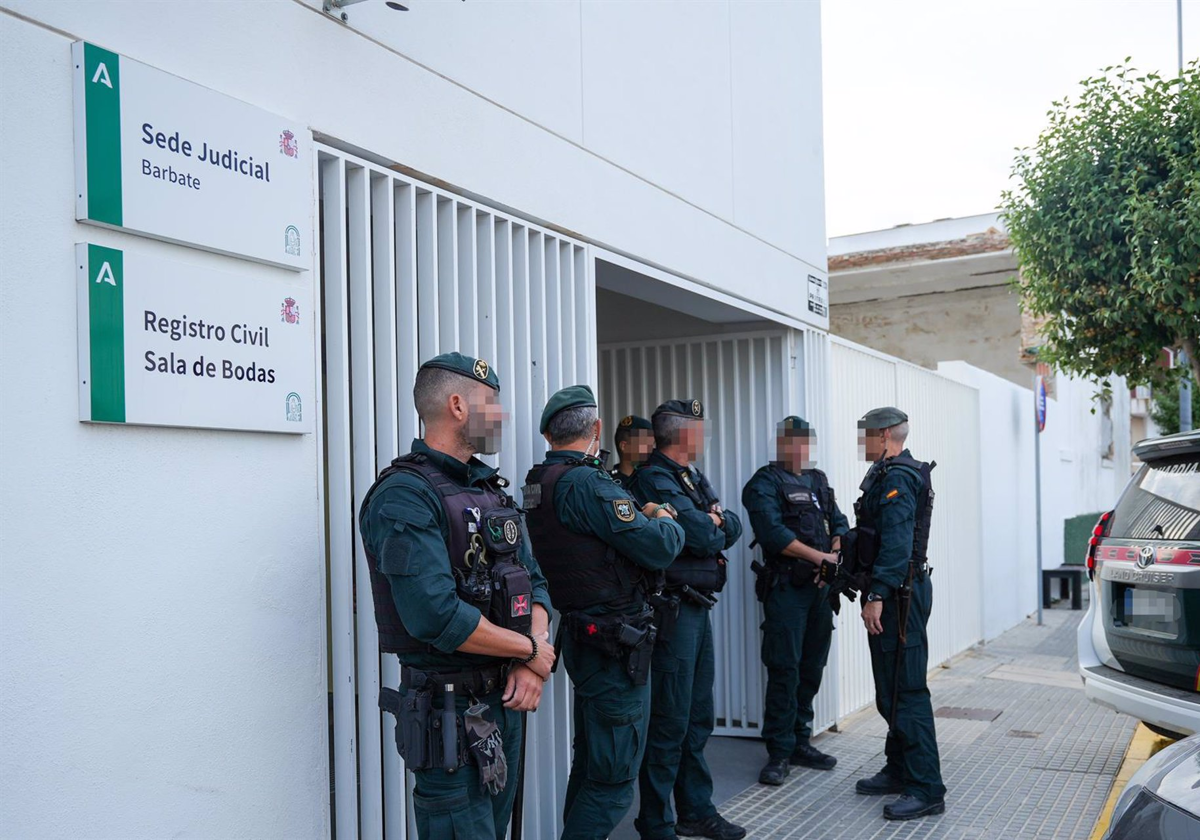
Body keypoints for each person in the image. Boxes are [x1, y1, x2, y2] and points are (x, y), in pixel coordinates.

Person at [358, 352, 556, 840]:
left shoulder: (491, 491)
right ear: (457, 406)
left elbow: (536, 582)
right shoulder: (404, 494)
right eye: (493, 403)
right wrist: (532, 651)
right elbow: (436, 617)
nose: (503, 415)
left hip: (503, 702)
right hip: (448, 714)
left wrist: (531, 660)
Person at [522, 386, 685, 840]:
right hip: (614, 644)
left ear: (547, 433)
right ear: (596, 430)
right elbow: (660, 547)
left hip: (585, 637)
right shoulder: (588, 484)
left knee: (593, 767)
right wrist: (664, 515)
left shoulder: (540, 481)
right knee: (612, 783)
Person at [629, 400, 746, 840]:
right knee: (669, 720)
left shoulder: (690, 477)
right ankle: (656, 821)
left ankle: (696, 809)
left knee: (697, 717)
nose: (705, 434)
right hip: (672, 612)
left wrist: (713, 522)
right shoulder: (653, 478)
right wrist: (711, 523)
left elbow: (728, 524)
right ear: (683, 435)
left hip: (697, 608)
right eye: (701, 428)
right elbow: (699, 534)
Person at [742, 416, 848, 786]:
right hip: (787, 590)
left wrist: (833, 555)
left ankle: (801, 740)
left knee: (811, 667)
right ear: (782, 444)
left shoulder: (818, 481)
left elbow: (840, 522)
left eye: (805, 443)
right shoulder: (764, 483)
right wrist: (819, 559)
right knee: (784, 668)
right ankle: (779, 751)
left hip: (820, 591)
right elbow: (773, 534)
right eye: (793, 442)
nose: (800, 450)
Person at [853, 406, 946, 821]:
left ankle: (926, 788)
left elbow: (895, 544)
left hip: (898, 594)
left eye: (867, 434)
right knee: (889, 687)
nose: (862, 441)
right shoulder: (885, 473)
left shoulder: (899, 478)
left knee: (905, 691)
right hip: (893, 589)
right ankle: (899, 768)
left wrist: (876, 594)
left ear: (887, 434)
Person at [610, 414, 655, 488]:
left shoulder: (654, 479)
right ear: (624, 446)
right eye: (644, 444)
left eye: (651, 444)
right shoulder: (609, 483)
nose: (650, 449)